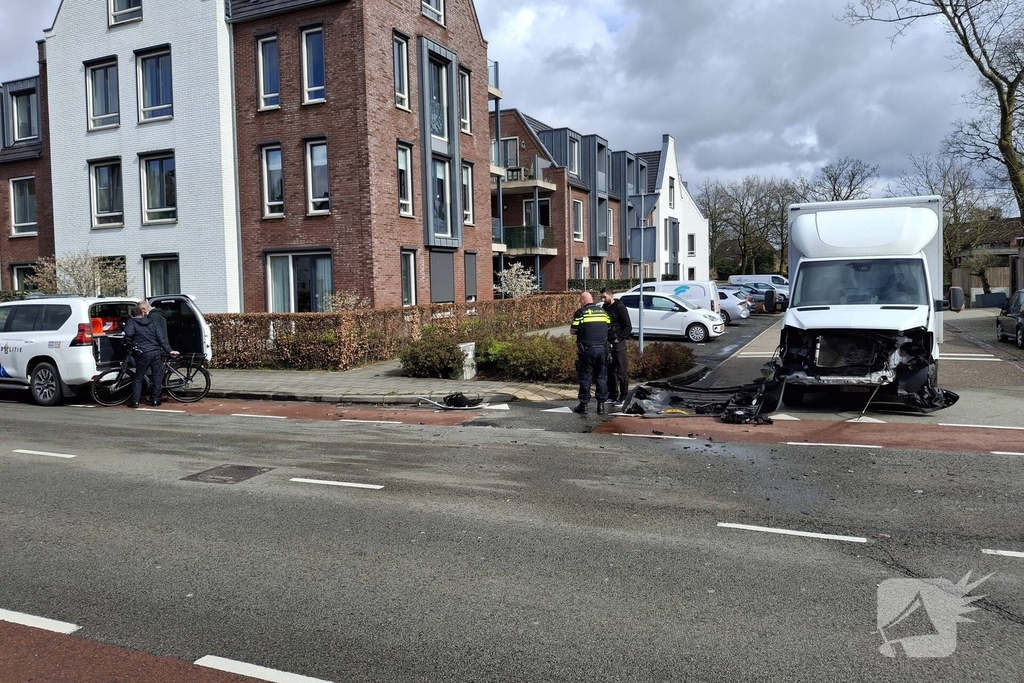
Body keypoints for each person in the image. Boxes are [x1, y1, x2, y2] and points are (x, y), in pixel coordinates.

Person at [123, 305, 178, 408]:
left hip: (143, 353)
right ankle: (156, 400)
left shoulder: (132, 322)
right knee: (157, 376)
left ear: (132, 315)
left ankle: (135, 402)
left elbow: (128, 334)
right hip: (156, 352)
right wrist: (170, 350)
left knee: (138, 377)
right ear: (143, 313)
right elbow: (161, 337)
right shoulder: (152, 322)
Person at [570, 291, 611, 415]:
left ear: (583, 301)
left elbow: (573, 331)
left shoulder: (581, 312)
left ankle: (584, 405)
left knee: (586, 376)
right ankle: (601, 406)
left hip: (587, 349)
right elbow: (608, 327)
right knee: (601, 377)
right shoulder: (603, 312)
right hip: (603, 349)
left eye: (580, 301)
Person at [600, 288, 632, 405]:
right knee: (610, 370)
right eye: (601, 297)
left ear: (611, 295)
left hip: (618, 343)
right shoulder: (604, 307)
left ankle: (624, 396)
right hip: (608, 343)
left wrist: (619, 338)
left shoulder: (620, 307)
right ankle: (612, 395)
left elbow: (628, 326)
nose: (603, 300)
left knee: (621, 370)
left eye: (604, 297)